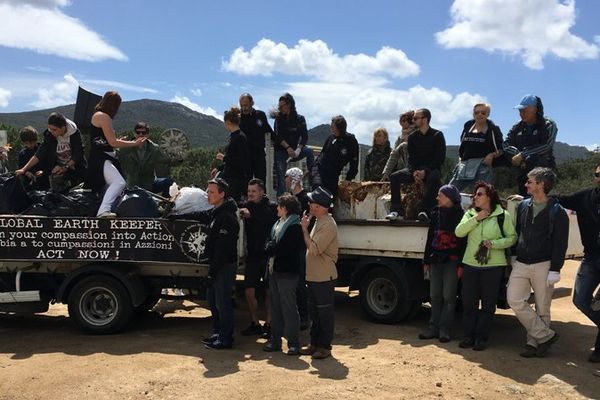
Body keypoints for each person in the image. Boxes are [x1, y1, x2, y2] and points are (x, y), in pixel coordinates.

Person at [507, 167, 569, 358]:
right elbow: (519, 232)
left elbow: (560, 243)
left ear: (542, 184)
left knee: (543, 307)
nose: (526, 184)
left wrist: (555, 269)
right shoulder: (524, 205)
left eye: (530, 182)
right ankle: (546, 335)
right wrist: (514, 255)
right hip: (522, 262)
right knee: (514, 299)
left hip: (544, 264)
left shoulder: (558, 213)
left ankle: (533, 344)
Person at [455, 181, 517, 351]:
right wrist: (477, 218)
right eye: (475, 194)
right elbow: (459, 232)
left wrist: (494, 244)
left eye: (479, 194)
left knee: (488, 305)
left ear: (489, 197)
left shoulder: (502, 215)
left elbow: (512, 238)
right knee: (469, 303)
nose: (475, 197)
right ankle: (468, 336)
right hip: (470, 265)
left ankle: (481, 338)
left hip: (493, 266)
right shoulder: (469, 214)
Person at [555, 162, 600, 362]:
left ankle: (598, 351)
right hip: (591, 257)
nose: (599, 177)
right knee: (580, 299)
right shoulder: (585, 197)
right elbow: (560, 199)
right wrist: (533, 196)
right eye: (597, 174)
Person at [86, 91, 146, 218]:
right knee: (119, 183)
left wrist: (121, 140)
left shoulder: (98, 115)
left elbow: (106, 140)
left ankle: (104, 210)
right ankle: (103, 211)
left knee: (110, 185)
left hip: (99, 157)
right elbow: (113, 142)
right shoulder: (104, 117)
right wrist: (134, 143)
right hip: (101, 158)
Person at [419, 184, 465, 343]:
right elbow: (430, 237)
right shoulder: (435, 213)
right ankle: (433, 328)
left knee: (449, 296)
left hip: (452, 261)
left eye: (441, 195)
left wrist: (461, 265)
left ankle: (445, 329)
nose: (437, 198)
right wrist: (426, 260)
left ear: (450, 198)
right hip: (435, 259)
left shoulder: (461, 215)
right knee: (435, 295)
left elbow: (463, 242)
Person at [263, 194, 306, 355]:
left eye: (280, 206)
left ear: (286, 209)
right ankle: (275, 340)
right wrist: (271, 247)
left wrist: (271, 247)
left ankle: (293, 342)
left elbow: (283, 249)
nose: (277, 208)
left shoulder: (294, 226)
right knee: (276, 307)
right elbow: (270, 243)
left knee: (288, 308)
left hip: (287, 272)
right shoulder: (278, 224)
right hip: (275, 271)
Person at [386, 108, 446, 222]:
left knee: (434, 177)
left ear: (425, 119)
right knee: (394, 177)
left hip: (431, 170)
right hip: (415, 169)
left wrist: (425, 172)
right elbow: (412, 159)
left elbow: (439, 160)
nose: (413, 121)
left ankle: (425, 211)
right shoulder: (413, 137)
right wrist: (415, 172)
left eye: (415, 118)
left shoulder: (437, 135)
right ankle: (396, 211)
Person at [300, 186, 338, 359]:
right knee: (314, 312)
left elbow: (314, 249)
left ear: (320, 206)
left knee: (324, 313)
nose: (309, 205)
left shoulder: (328, 224)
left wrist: (304, 229)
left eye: (312, 202)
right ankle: (314, 343)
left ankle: (325, 346)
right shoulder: (320, 221)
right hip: (315, 276)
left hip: (323, 276)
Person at [202, 178, 239, 350]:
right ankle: (218, 333)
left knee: (223, 303)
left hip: (223, 266)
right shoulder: (216, 212)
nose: (207, 195)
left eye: (211, 192)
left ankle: (226, 338)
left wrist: (213, 271)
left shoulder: (227, 217)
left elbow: (223, 250)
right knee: (213, 300)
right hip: (216, 264)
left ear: (222, 194)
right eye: (207, 191)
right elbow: (201, 215)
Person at [238, 179, 277, 337]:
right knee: (249, 291)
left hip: (268, 256)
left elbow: (265, 223)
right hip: (253, 255)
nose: (250, 194)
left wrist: (250, 216)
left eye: (253, 191)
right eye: (249, 191)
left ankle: (269, 324)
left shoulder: (272, 207)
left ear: (262, 192)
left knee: (269, 292)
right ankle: (255, 323)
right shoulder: (246, 206)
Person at [16, 113, 86, 192]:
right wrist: (24, 169)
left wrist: (66, 167)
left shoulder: (74, 133)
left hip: (75, 168)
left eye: (54, 130)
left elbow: (78, 153)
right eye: (50, 129)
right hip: (58, 169)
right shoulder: (50, 135)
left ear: (63, 127)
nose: (51, 132)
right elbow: (39, 154)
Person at [504, 95, 558, 196]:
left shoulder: (548, 124)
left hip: (543, 171)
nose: (521, 114)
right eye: (520, 111)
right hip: (522, 172)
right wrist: (517, 155)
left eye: (524, 110)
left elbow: (547, 146)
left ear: (535, 109)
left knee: (542, 202)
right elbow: (506, 144)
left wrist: (523, 155)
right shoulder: (517, 127)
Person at [449, 103, 504, 192]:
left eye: (483, 112)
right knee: (450, 191)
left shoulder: (493, 129)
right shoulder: (468, 125)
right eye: (477, 112)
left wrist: (491, 155)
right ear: (473, 114)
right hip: (465, 165)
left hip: (483, 168)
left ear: (488, 114)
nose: (480, 115)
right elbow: (463, 144)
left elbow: (501, 149)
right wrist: (460, 158)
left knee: (481, 194)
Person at [272, 93, 314, 196]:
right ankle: (280, 203)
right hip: (281, 151)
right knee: (281, 180)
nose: (280, 108)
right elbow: (278, 136)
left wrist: (299, 149)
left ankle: (312, 177)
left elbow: (305, 137)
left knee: (309, 152)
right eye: (279, 106)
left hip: (295, 151)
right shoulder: (279, 118)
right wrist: (288, 148)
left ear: (289, 105)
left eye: (282, 106)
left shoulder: (300, 119)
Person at [285, 166, 311, 329]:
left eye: (288, 177)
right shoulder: (291, 198)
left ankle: (304, 317)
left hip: (301, 246)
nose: (285, 180)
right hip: (292, 247)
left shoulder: (304, 199)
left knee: (300, 283)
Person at [118, 122, 172, 197]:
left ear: (148, 135)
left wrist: (178, 158)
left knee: (169, 182)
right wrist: (119, 144)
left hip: (149, 186)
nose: (140, 135)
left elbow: (167, 162)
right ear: (134, 133)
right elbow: (116, 157)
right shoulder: (126, 148)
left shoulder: (155, 149)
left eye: (143, 133)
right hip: (132, 187)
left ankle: (164, 205)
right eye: (138, 132)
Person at [312, 115, 359, 196]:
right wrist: (312, 167)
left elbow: (354, 162)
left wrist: (348, 178)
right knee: (316, 197)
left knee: (329, 200)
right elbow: (322, 153)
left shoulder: (351, 141)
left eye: (334, 127)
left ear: (341, 128)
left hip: (333, 176)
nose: (332, 129)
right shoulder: (331, 138)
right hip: (319, 171)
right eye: (331, 127)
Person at [214, 107, 249, 201]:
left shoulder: (240, 137)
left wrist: (223, 158)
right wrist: (219, 168)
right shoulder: (233, 137)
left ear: (228, 122)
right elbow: (231, 159)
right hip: (229, 178)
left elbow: (241, 161)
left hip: (236, 180)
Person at [239, 93, 274, 182]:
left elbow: (269, 131)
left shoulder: (260, 115)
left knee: (261, 182)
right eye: (242, 105)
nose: (244, 108)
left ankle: (263, 196)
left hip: (259, 155)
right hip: (244, 156)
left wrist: (283, 145)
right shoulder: (238, 118)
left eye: (246, 105)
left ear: (252, 103)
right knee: (246, 183)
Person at [382, 110, 416, 181]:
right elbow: (394, 155)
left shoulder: (418, 134)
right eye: (401, 121)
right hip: (408, 169)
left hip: (420, 169)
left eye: (404, 121)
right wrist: (386, 173)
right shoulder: (400, 138)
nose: (402, 123)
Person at [16, 126, 48, 190]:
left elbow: (50, 164)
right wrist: (26, 173)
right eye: (26, 143)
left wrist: (43, 172)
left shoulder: (43, 149)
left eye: (32, 142)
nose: (29, 145)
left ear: (36, 139)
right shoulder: (22, 154)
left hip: (45, 184)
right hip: (29, 185)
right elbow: (21, 168)